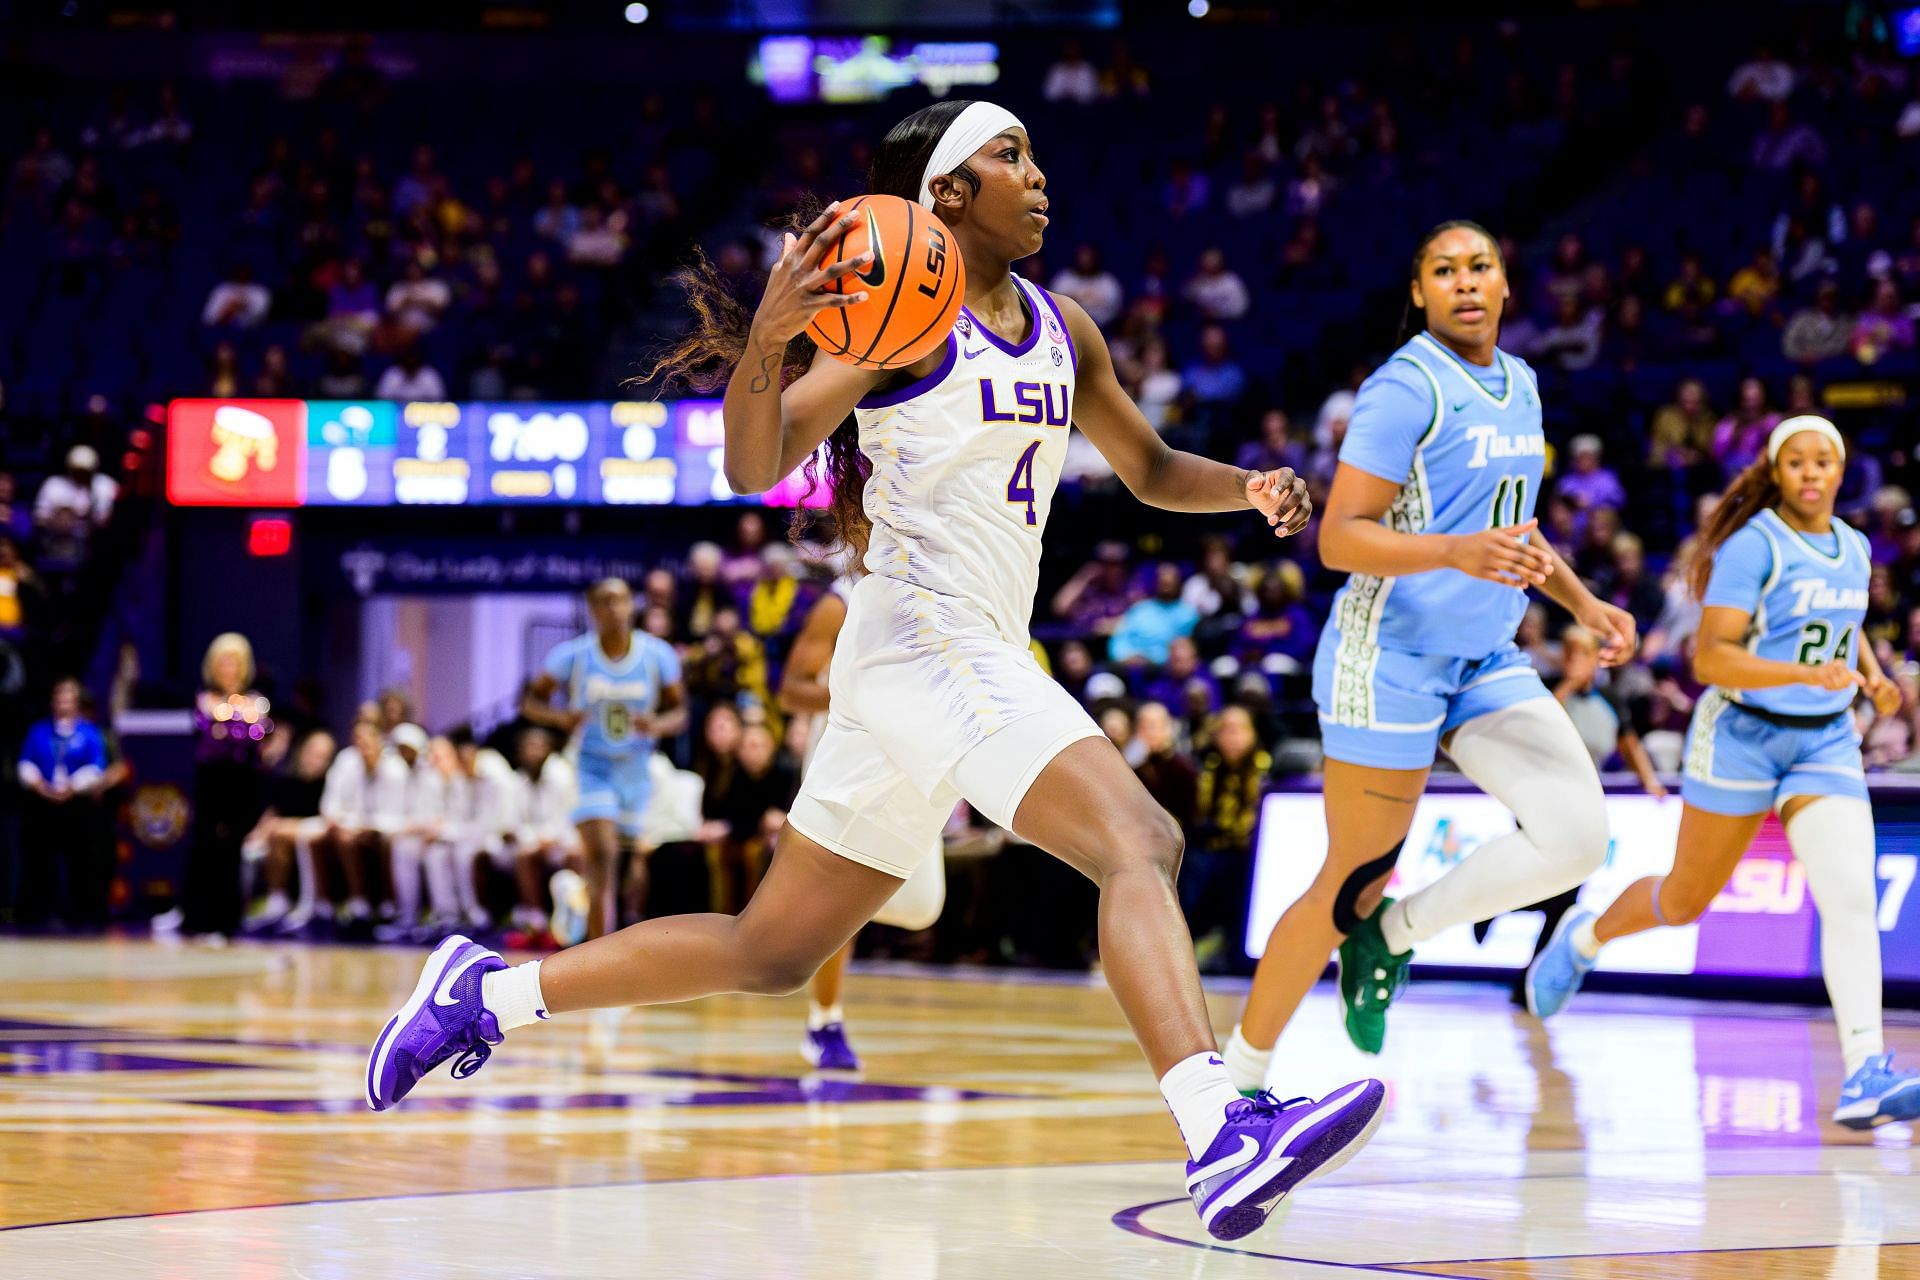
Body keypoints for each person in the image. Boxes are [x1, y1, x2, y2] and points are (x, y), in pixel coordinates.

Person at [367, 99, 1381, 1244]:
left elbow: (1144, 465)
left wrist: (1244, 485)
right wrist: (764, 343)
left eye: (1034, 155)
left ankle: (486, 992)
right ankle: (1219, 1126)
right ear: (944, 196)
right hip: (925, 639)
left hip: (941, 659)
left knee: (770, 950)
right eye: (1010, 156)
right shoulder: (893, 329)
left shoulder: (1064, 327)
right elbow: (756, 462)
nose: (1038, 176)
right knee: (1138, 840)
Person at [1223, 221, 1634, 1093]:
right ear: (1420, 294)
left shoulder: (1520, 382)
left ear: (1506, 283)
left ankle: (1394, 939)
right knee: (1352, 879)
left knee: (1578, 837)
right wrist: (1452, 551)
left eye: (1480, 266)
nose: (1465, 283)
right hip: (1390, 656)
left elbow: (1513, 534)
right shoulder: (1404, 388)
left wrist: (1583, 602)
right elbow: (1338, 539)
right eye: (1444, 272)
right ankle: (1241, 1078)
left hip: (1483, 655)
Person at [1527, 417, 1920, 1129]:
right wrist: (1807, 670)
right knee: (1683, 902)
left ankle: (1866, 1068)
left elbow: (1843, 618)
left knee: (1850, 897)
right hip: (1740, 735)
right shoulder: (1752, 547)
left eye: (1823, 461)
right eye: (1795, 462)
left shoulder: (1855, 547)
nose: (1810, 473)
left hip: (1824, 742)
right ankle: (1585, 937)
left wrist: (1874, 675)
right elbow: (1710, 659)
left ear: (1840, 470)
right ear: (1776, 471)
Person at [779, 578, 947, 1071]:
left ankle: (812, 908)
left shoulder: (942, 583)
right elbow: (790, 690)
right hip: (845, 753)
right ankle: (824, 1020)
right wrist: (860, 698)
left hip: (911, 752)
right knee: (841, 887)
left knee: (920, 907)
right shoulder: (843, 600)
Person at [521, 578, 687, 945]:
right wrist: (560, 718)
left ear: (632, 606)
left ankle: (577, 895)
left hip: (637, 769)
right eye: (605, 602)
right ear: (593, 610)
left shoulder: (657, 655)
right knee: (604, 856)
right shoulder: (572, 656)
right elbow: (530, 703)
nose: (614, 608)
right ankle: (598, 955)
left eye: (621, 600)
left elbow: (681, 713)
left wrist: (657, 723)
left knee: (632, 871)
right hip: (591, 766)